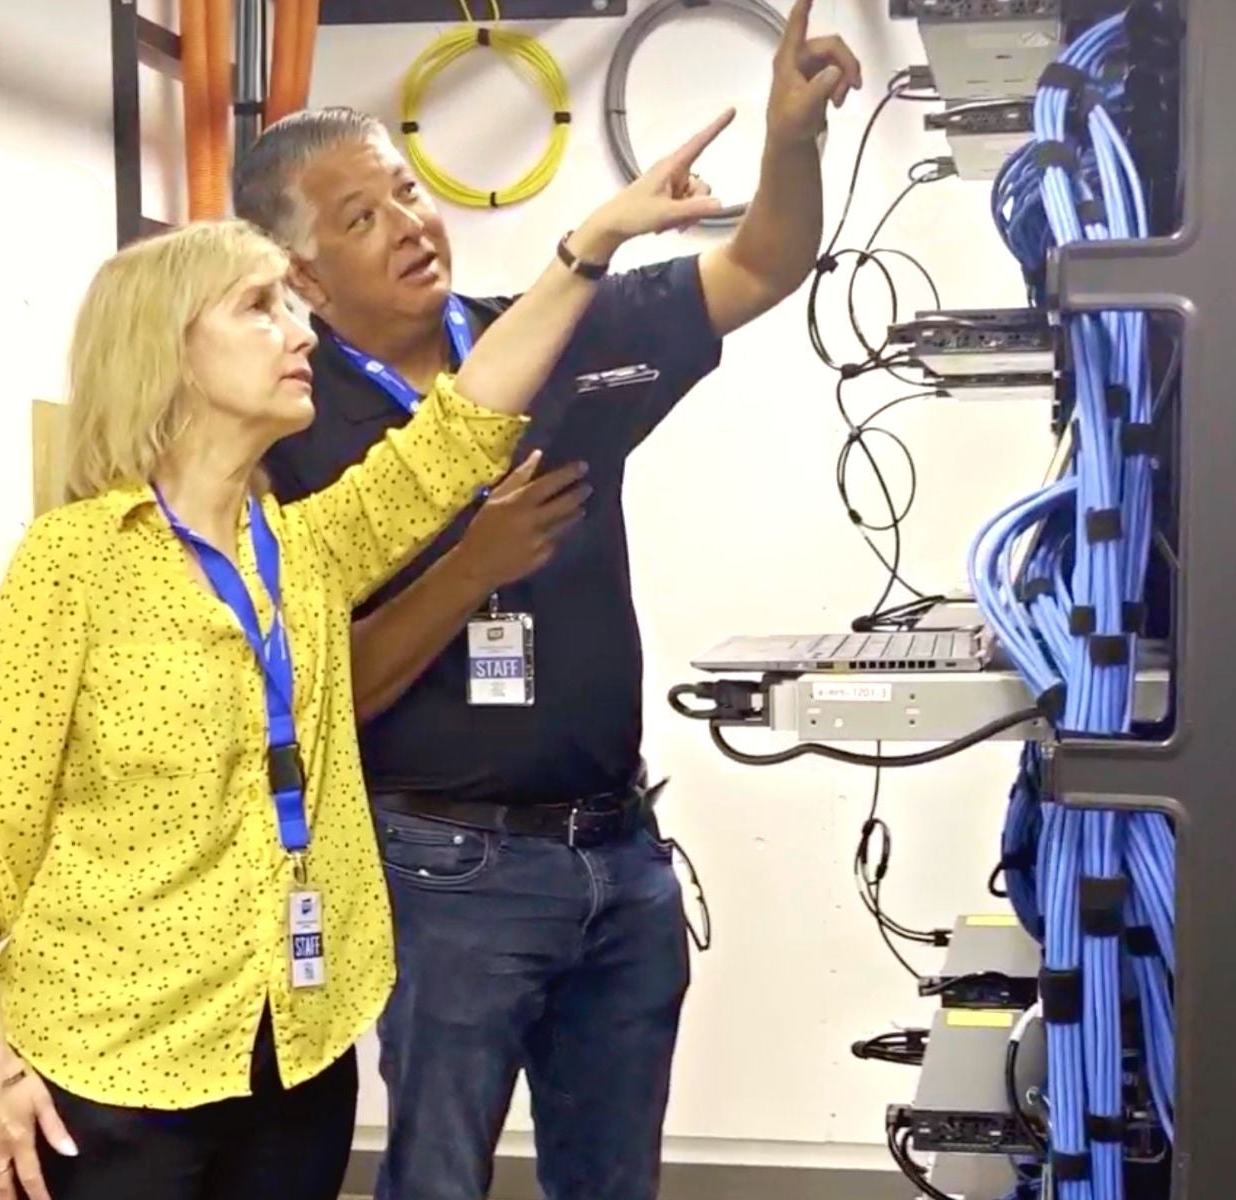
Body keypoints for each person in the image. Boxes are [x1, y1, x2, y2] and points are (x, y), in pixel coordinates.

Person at [0, 130, 732, 1200]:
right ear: (168, 352)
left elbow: (463, 427)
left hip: (289, 1050)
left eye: (291, 305)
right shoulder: (73, 566)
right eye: (260, 308)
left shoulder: (298, 551)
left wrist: (590, 247)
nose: (299, 327)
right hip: (115, 1066)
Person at [237, 4, 861, 1198]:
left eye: (407, 195)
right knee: (434, 1178)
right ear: (305, 277)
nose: (412, 228)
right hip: (441, 873)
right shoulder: (290, 425)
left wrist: (793, 137)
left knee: (612, 1180)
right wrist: (471, 564)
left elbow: (764, 264)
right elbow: (319, 689)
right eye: (361, 220)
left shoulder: (560, 331)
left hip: (619, 857)